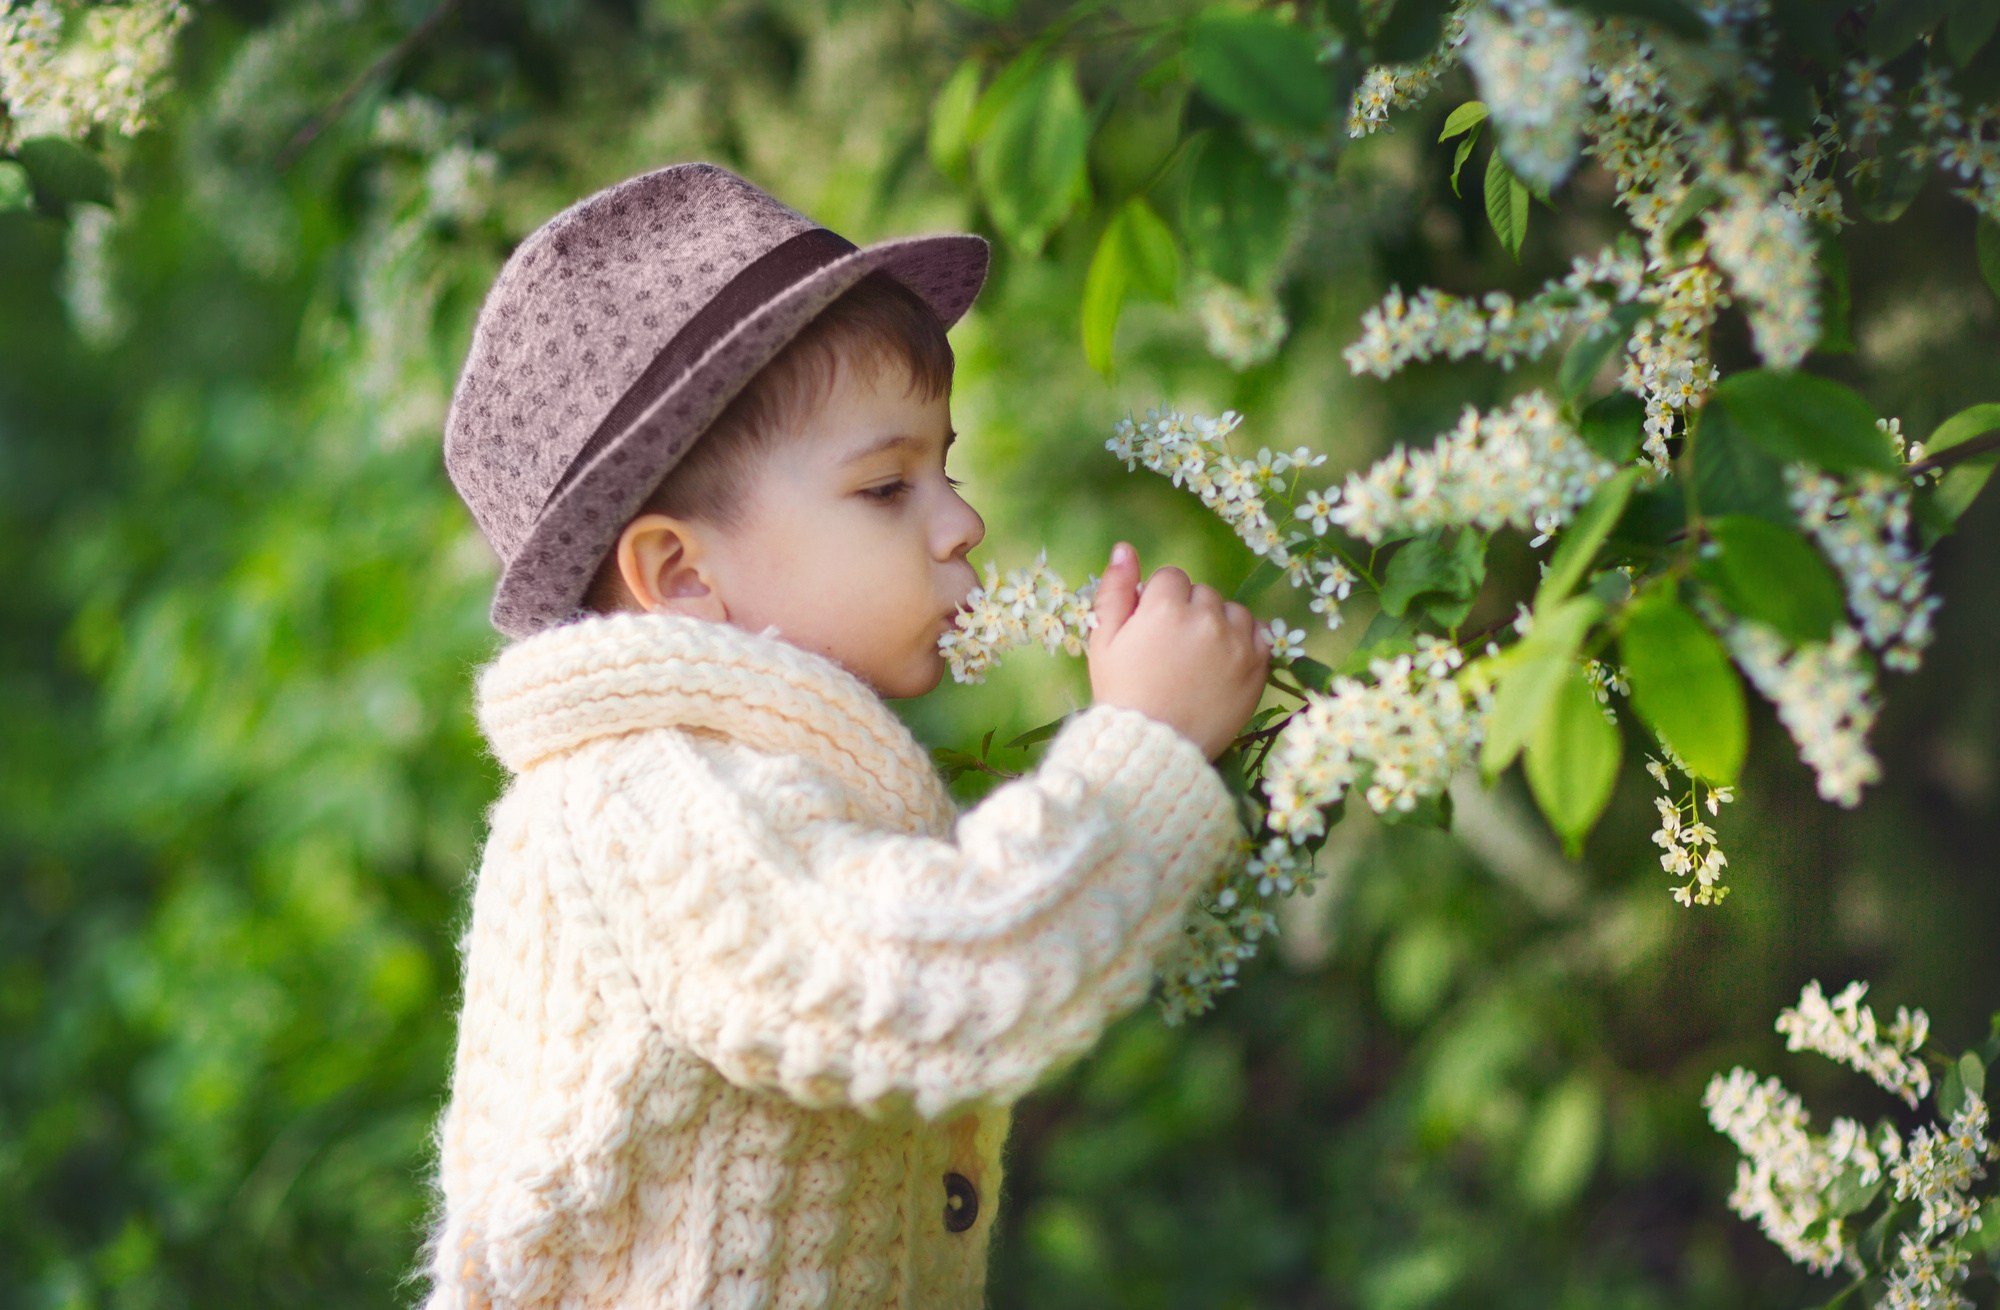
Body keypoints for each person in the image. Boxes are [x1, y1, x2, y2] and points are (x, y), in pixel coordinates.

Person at [423, 160, 1271, 1309]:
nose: (963, 521)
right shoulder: (647, 806)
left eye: (944, 467)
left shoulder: (729, 780)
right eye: (885, 487)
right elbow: (947, 981)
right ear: (680, 572)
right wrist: (1144, 742)